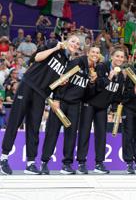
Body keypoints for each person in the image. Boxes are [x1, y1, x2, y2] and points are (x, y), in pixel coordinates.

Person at [0, 36, 80, 175]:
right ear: (66, 41)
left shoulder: (68, 64)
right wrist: (56, 48)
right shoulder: (54, 45)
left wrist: (59, 82)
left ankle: (30, 163)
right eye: (73, 41)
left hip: (41, 94)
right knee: (15, 121)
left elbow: (53, 82)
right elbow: (36, 58)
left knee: (34, 127)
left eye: (78, 44)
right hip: (28, 85)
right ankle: (3, 158)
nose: (75, 44)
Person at [40, 45, 101, 175]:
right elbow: (62, 79)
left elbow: (87, 95)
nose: (95, 54)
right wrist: (56, 99)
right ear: (88, 52)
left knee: (71, 135)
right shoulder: (77, 62)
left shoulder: (93, 71)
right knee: (52, 132)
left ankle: (66, 164)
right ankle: (44, 162)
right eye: (93, 52)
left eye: (97, 53)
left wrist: (91, 83)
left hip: (75, 105)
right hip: (61, 102)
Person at [76, 46, 125, 174]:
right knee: (84, 133)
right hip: (89, 103)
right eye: (117, 56)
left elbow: (117, 94)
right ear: (112, 56)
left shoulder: (120, 76)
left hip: (102, 107)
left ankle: (99, 163)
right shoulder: (102, 66)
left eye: (122, 57)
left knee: (101, 135)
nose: (119, 59)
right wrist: (109, 77)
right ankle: (81, 163)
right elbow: (97, 86)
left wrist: (114, 109)